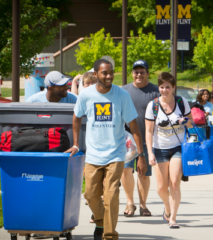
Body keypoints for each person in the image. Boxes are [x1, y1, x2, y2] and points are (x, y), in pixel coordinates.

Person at [65, 59, 147, 240]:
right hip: (93, 154)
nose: (109, 76)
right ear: (95, 74)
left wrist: (140, 155)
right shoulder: (86, 94)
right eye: (104, 73)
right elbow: (76, 117)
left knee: (111, 195)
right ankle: (101, 222)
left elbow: (134, 127)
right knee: (90, 195)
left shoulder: (122, 95)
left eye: (111, 73)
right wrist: (77, 143)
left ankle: (109, 235)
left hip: (116, 153)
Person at [145, 72, 193, 229]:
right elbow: (149, 131)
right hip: (159, 149)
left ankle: (173, 217)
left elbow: (191, 123)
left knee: (174, 183)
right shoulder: (153, 105)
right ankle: (167, 207)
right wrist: (150, 152)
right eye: (161, 87)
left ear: (173, 87)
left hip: (178, 147)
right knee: (160, 188)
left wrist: (186, 121)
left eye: (167, 87)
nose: (164, 90)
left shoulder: (181, 102)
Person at [120, 60, 160, 217]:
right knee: (125, 170)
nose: (139, 74)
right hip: (127, 140)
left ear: (148, 73)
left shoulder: (156, 91)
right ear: (132, 73)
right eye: (136, 71)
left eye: (142, 71)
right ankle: (130, 202)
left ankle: (143, 205)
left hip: (148, 140)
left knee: (143, 173)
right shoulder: (124, 91)